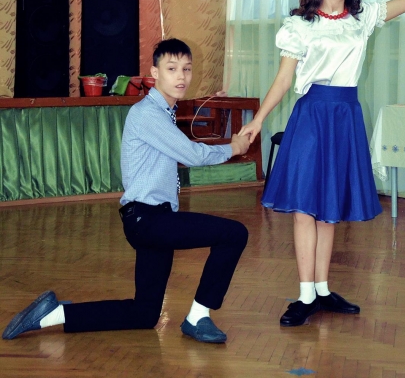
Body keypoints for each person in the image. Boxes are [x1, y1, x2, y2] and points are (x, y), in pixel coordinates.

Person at [3, 38, 251, 344]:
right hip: (150, 221)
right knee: (233, 234)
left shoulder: (162, 112)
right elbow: (191, 155)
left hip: (151, 220)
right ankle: (198, 317)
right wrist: (233, 147)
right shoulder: (148, 114)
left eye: (187, 69)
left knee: (144, 314)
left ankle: (52, 315)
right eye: (172, 68)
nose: (181, 76)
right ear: (154, 73)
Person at [239, 0, 405, 327]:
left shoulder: (361, 17)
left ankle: (322, 290)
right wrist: (258, 119)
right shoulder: (300, 26)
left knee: (328, 211)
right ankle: (305, 294)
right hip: (312, 117)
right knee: (305, 208)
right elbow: (283, 80)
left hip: (345, 116)